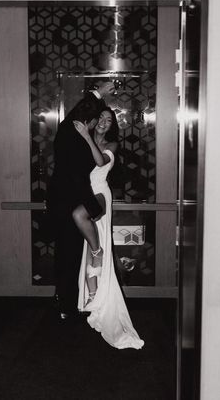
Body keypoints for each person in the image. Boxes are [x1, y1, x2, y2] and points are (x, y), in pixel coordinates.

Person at [73, 107, 144, 350]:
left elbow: (100, 161)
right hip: (85, 193)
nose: (104, 122)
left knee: (80, 216)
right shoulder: (83, 143)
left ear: (112, 124)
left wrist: (86, 138)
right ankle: (95, 298)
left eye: (108, 119)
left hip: (101, 194)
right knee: (91, 241)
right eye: (100, 119)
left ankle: (97, 251)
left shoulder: (112, 145)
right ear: (94, 122)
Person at [46, 81, 115, 320]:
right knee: (67, 252)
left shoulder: (87, 142)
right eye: (94, 118)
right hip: (66, 202)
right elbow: (77, 115)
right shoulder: (69, 134)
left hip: (77, 201)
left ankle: (70, 300)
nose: (97, 122)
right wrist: (98, 94)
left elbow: (99, 165)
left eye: (102, 120)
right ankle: (66, 303)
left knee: (72, 252)